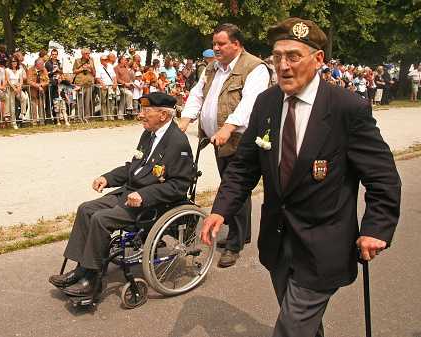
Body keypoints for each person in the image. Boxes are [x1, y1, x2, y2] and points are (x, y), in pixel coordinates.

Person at [199, 18, 401, 336]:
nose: (283, 65)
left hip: (324, 247)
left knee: (291, 329)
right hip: (278, 242)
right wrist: (221, 208)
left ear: (318, 59)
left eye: (293, 56)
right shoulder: (266, 104)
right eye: (277, 57)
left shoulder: (348, 109)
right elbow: (244, 167)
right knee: (303, 326)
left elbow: (382, 177)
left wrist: (376, 228)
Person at [48, 92, 194, 296]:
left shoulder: (178, 143)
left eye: (146, 111)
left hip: (152, 204)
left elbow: (179, 185)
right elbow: (134, 168)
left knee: (100, 218)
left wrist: (146, 195)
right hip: (130, 193)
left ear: (163, 115)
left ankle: (91, 278)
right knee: (86, 209)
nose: (141, 115)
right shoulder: (149, 134)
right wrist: (107, 178)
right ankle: (81, 268)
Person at [178, 23, 272, 267]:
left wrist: (228, 128)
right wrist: (185, 120)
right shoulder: (212, 67)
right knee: (230, 185)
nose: (215, 48)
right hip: (218, 139)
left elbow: (250, 103)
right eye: (214, 44)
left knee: (235, 189)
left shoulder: (254, 67)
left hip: (239, 138)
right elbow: (198, 95)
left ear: (236, 44)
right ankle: (241, 234)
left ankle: (234, 245)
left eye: (220, 44)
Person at [72, 48, 96, 118]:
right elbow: (74, 71)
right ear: (82, 54)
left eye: (89, 53)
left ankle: (87, 117)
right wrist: (82, 69)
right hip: (80, 84)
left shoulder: (91, 62)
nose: (88, 55)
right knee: (80, 101)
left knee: (87, 102)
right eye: (86, 53)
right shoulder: (77, 61)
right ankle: (79, 117)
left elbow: (94, 74)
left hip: (88, 84)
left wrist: (91, 69)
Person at [26, 58, 49, 126]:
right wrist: (36, 85)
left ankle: (42, 121)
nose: (43, 66)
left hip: (41, 91)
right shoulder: (30, 70)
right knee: (33, 105)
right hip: (33, 90)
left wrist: (41, 85)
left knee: (41, 104)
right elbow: (29, 81)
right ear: (37, 65)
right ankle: (34, 122)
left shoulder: (44, 70)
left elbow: (47, 80)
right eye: (42, 65)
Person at [5, 56, 28, 124]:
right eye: (13, 61)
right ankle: (13, 122)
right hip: (11, 88)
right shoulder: (7, 70)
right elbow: (8, 80)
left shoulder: (19, 70)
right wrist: (14, 88)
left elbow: (21, 80)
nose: (14, 63)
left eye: (15, 61)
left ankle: (22, 113)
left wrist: (19, 87)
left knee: (24, 98)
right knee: (12, 105)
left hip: (17, 87)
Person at [96, 55, 117, 121]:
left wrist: (115, 83)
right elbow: (98, 78)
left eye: (106, 59)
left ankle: (111, 116)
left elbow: (114, 76)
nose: (105, 61)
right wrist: (103, 85)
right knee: (103, 102)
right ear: (101, 60)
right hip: (103, 87)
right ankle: (104, 117)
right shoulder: (99, 68)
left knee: (111, 101)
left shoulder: (110, 67)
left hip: (110, 86)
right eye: (104, 59)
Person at [45, 49, 62, 123]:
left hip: (57, 84)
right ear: (51, 55)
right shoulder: (48, 63)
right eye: (53, 54)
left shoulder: (59, 63)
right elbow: (46, 74)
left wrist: (60, 73)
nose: (54, 56)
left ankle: (56, 119)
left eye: (55, 54)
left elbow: (61, 72)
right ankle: (48, 119)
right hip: (50, 83)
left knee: (56, 102)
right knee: (49, 102)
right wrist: (53, 71)